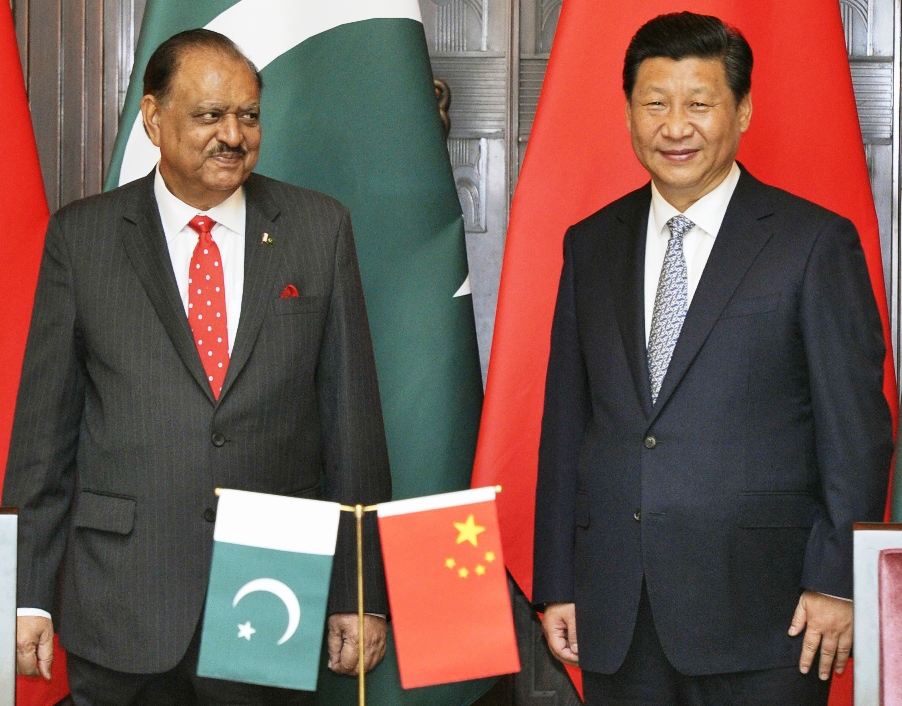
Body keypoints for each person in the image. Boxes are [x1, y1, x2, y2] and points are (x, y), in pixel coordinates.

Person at [3, 28, 391, 706]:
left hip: (271, 598)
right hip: (120, 600)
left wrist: (360, 592)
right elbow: (43, 438)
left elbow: (351, 426)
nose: (233, 135)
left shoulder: (316, 229)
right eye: (210, 115)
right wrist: (25, 594)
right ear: (153, 118)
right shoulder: (83, 238)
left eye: (248, 115)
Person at [532, 11, 893, 706]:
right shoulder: (591, 245)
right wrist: (558, 583)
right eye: (655, 104)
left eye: (699, 104)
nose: (676, 127)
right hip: (618, 611)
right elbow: (566, 424)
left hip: (769, 616)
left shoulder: (812, 243)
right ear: (630, 112)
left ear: (743, 110)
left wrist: (836, 579)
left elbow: (856, 433)